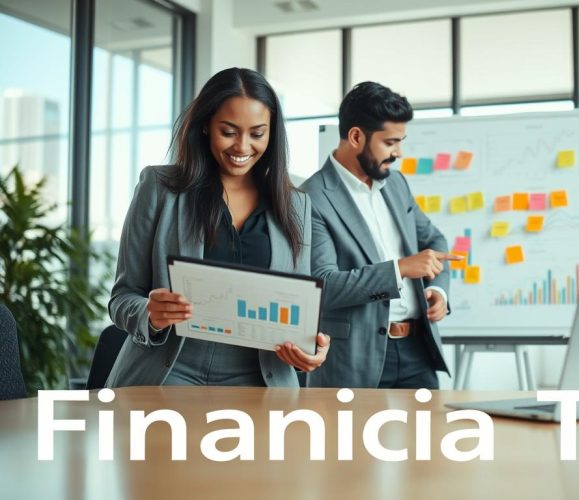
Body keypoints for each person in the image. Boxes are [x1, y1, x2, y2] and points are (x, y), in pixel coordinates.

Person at [106, 67, 329, 388]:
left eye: (257, 133)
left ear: (272, 134)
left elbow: (298, 306)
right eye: (228, 131)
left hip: (260, 377)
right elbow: (122, 297)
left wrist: (313, 347)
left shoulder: (297, 205)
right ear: (205, 127)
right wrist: (150, 315)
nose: (242, 146)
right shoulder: (158, 188)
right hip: (170, 370)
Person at [300, 81, 460, 389]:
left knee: (428, 438)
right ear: (357, 136)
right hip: (356, 360)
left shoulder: (396, 185)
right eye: (390, 142)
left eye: (401, 141)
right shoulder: (312, 197)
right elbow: (323, 285)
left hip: (417, 351)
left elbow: (434, 242)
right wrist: (400, 269)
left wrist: (438, 291)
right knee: (356, 439)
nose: (398, 152)